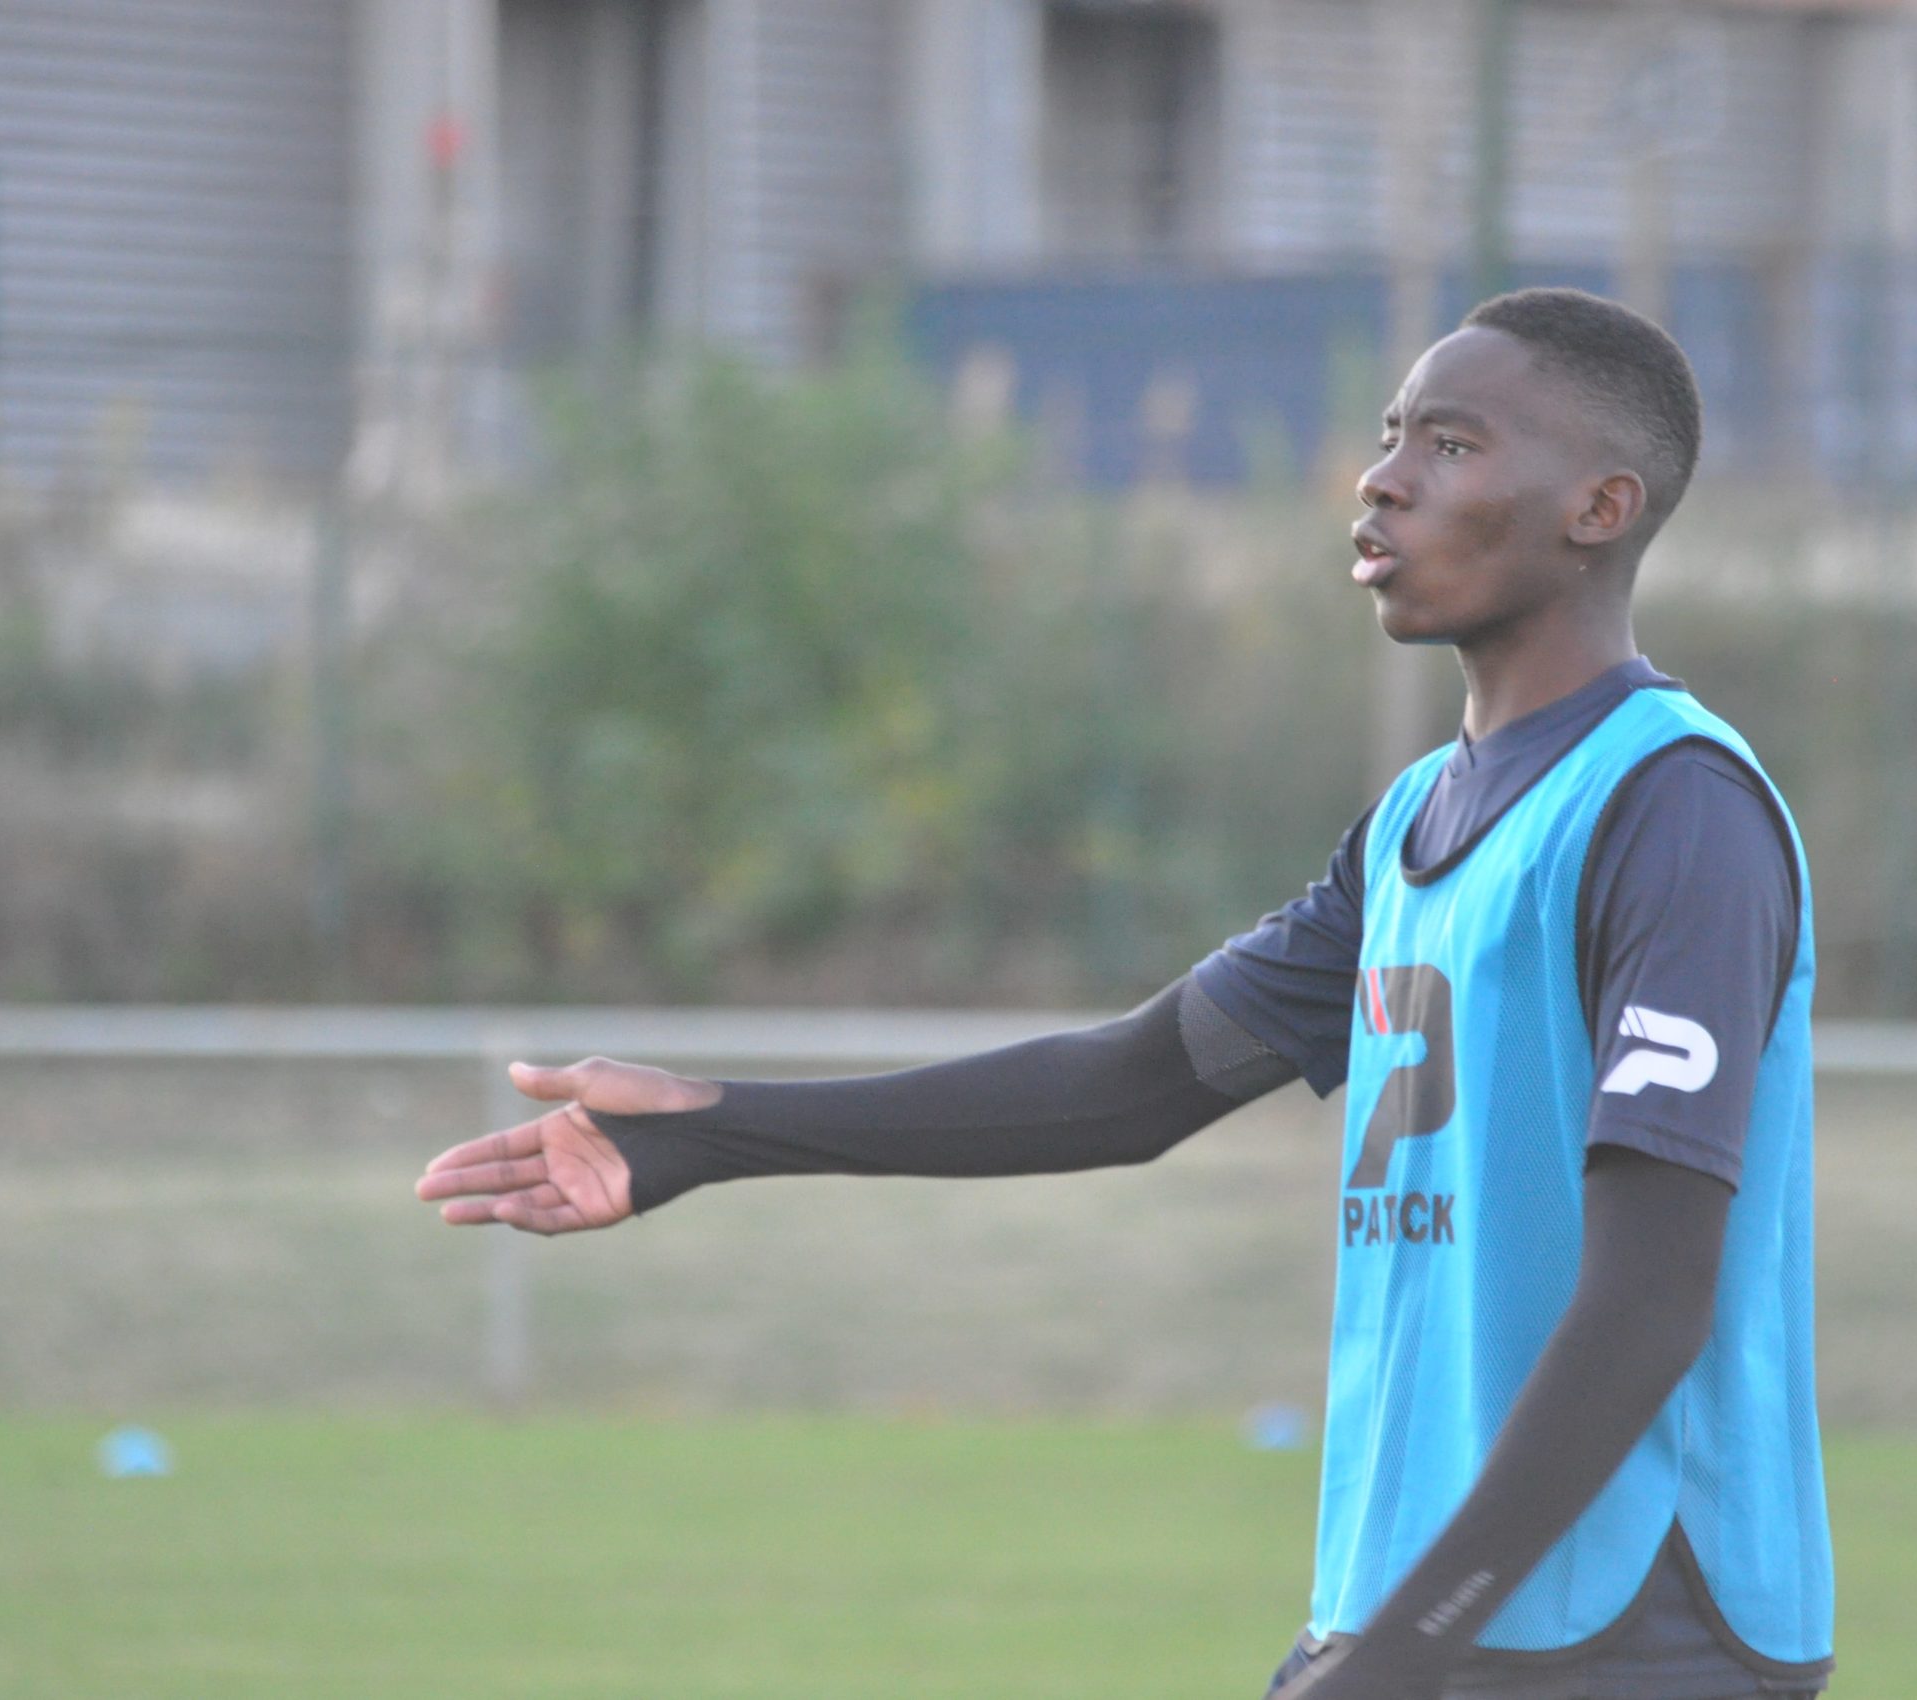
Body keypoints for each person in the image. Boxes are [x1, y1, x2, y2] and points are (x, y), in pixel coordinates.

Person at [415, 287, 1832, 1700]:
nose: (1383, 478)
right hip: (1418, 1627)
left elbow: (1651, 1305)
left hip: (1628, 1640)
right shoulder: (1415, 825)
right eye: (1391, 434)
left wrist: (1408, 1651)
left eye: (1450, 446)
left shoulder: (1675, 811)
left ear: (1600, 507)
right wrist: (709, 1132)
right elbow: (1134, 1086)